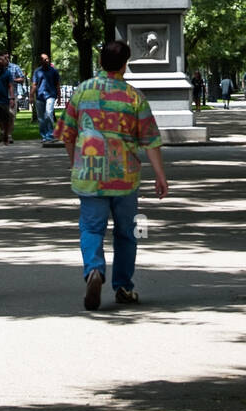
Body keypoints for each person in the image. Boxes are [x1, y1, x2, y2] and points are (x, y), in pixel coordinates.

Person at [54, 39, 167, 310]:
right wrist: (160, 175)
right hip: (125, 179)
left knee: (91, 228)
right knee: (127, 232)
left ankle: (94, 270)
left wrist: (75, 162)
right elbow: (151, 140)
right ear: (125, 64)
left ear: (101, 62)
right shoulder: (134, 97)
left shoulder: (82, 92)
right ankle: (124, 287)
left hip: (90, 176)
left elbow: (66, 134)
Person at [32, 52, 60, 144]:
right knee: (41, 118)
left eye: (47, 59)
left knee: (48, 113)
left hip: (50, 95)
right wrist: (31, 95)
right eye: (44, 59)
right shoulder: (37, 71)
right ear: (41, 61)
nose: (46, 61)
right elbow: (34, 85)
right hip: (40, 96)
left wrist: (59, 97)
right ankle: (44, 136)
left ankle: (51, 135)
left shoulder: (54, 71)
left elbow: (57, 85)